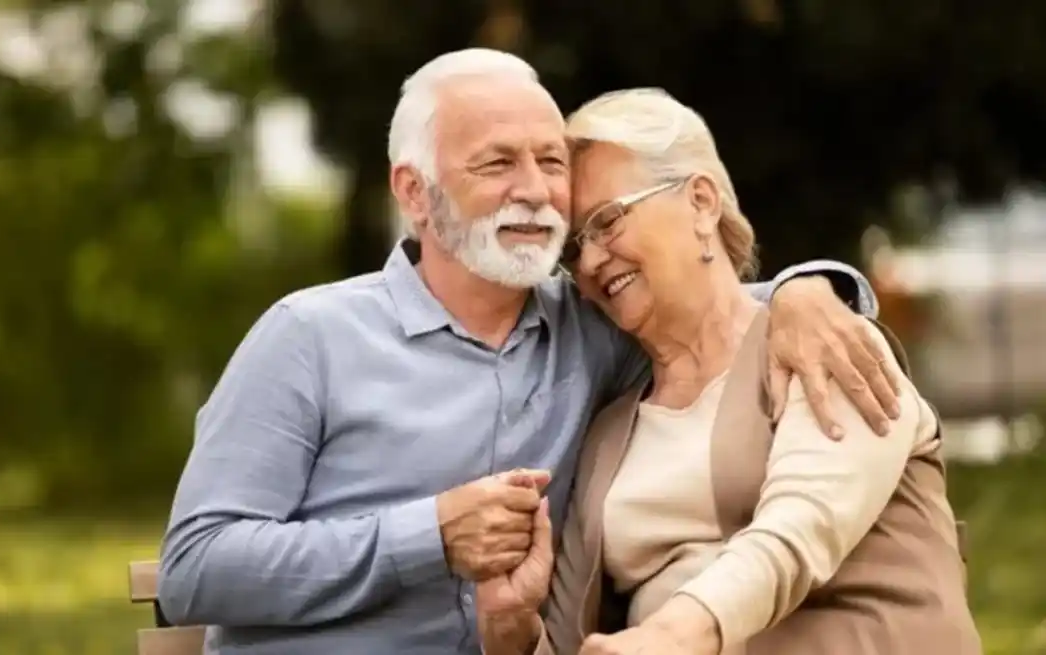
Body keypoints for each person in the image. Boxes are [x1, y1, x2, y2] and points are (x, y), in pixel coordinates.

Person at [157, 50, 901, 654]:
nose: (538, 191)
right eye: (497, 164)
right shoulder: (308, 338)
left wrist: (813, 289)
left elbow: (712, 304)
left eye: (552, 163)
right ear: (414, 191)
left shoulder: (596, 327)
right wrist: (428, 536)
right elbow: (194, 570)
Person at [475, 88, 981, 655]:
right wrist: (511, 626)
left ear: (701, 203)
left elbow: (800, 529)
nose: (590, 261)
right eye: (574, 249)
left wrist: (671, 635)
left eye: (609, 221)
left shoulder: (825, 343)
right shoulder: (608, 435)